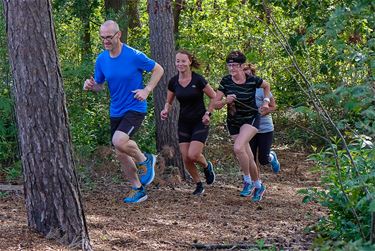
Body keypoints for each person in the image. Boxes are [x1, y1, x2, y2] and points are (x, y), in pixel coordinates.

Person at [83, 20, 164, 203]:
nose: (105, 41)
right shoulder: (102, 59)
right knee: (121, 152)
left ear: (118, 35)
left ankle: (145, 160)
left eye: (109, 37)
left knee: (118, 140)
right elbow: (99, 85)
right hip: (116, 110)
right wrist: (91, 86)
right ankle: (138, 189)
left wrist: (147, 90)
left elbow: (158, 69)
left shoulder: (133, 55)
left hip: (135, 107)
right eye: (102, 38)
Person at [213, 51, 271, 202]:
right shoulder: (225, 81)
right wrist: (226, 100)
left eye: (235, 65)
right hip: (233, 122)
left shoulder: (252, 80)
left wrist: (265, 102)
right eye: (229, 65)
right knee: (248, 155)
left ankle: (247, 181)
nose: (232, 68)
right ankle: (258, 185)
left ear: (241, 66)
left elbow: (267, 86)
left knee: (238, 147)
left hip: (251, 118)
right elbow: (215, 104)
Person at [160, 49, 216, 195]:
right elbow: (169, 102)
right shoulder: (173, 82)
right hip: (183, 123)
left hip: (200, 121)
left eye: (183, 61)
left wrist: (208, 113)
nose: (180, 64)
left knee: (193, 154)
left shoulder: (198, 80)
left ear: (190, 62)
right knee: (186, 157)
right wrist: (165, 110)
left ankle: (206, 166)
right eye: (178, 61)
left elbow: (214, 97)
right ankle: (199, 184)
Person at [242, 63, 280, 173]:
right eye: (245, 75)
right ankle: (257, 182)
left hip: (265, 128)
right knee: (251, 158)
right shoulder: (241, 90)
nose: (247, 78)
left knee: (263, 159)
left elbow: (273, 106)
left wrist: (262, 112)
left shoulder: (262, 89)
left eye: (249, 75)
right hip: (249, 128)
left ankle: (272, 157)